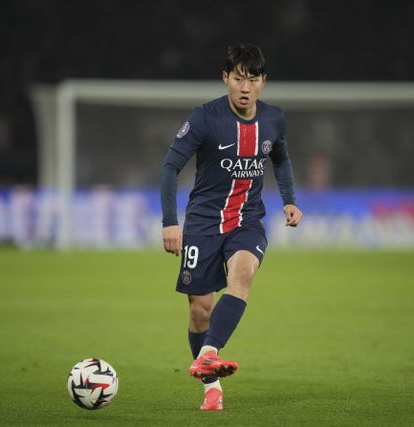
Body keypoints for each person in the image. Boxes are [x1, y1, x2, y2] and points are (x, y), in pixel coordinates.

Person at [160, 42, 302, 411]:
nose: (245, 87)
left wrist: (289, 200)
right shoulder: (205, 118)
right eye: (238, 79)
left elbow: (281, 158)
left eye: (252, 80)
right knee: (199, 310)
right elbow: (170, 167)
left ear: (263, 81)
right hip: (203, 224)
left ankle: (209, 352)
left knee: (243, 275)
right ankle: (211, 388)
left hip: (247, 221)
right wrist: (170, 223)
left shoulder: (274, 119)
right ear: (225, 78)